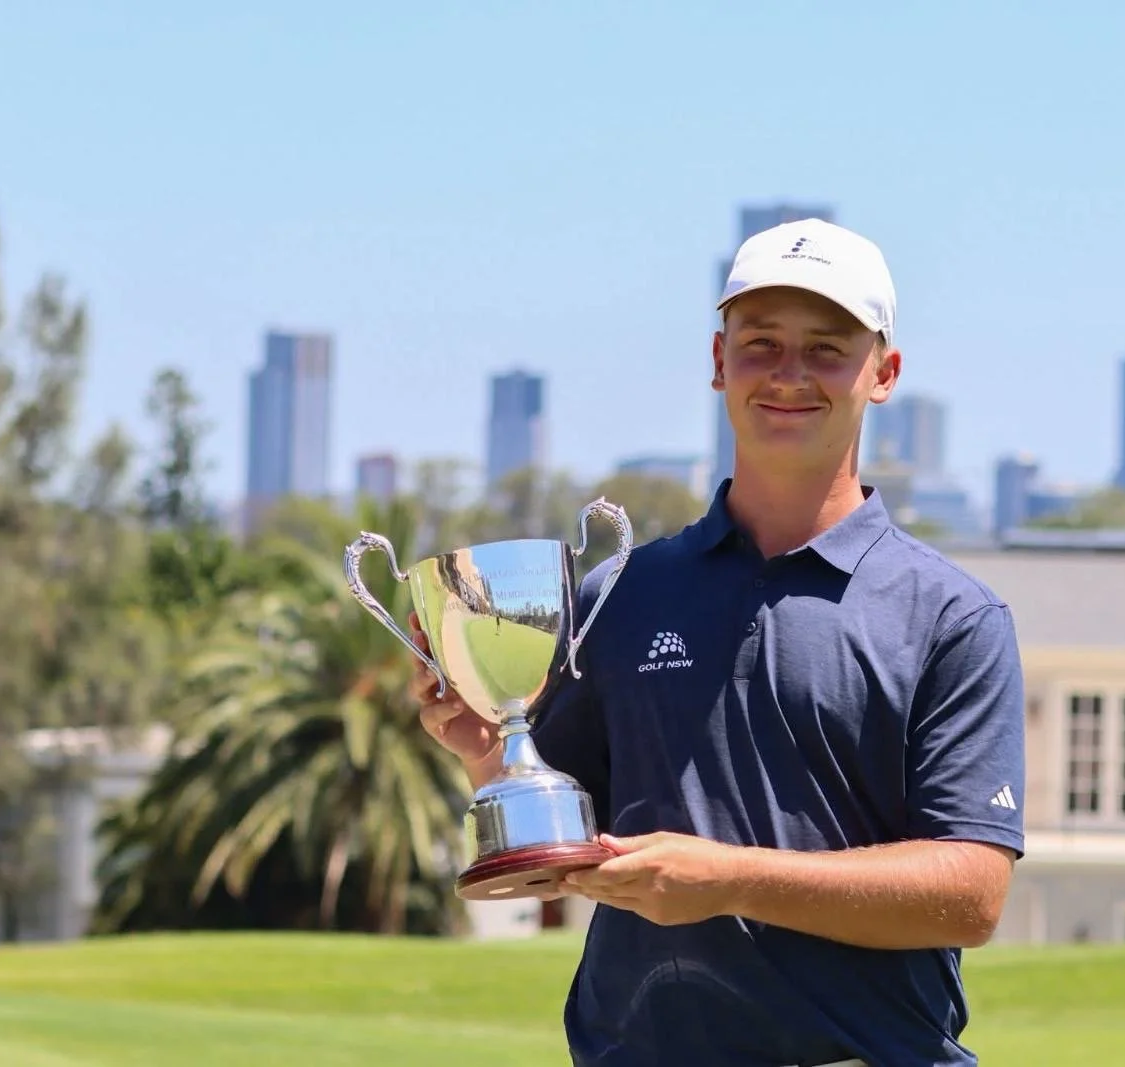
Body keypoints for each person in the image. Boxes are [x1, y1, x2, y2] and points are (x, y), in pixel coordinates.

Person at [412, 218, 1026, 1066]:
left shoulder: (953, 617)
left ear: (883, 373)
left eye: (825, 348)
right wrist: (490, 751)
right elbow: (569, 844)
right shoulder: (621, 593)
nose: (788, 374)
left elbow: (970, 894)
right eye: (762, 343)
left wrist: (727, 878)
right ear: (717, 360)